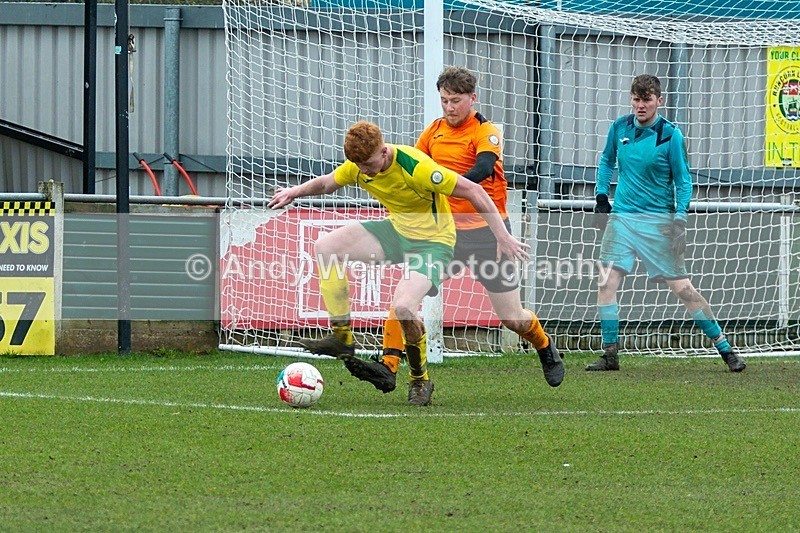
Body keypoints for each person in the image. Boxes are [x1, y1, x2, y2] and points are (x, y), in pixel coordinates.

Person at [268, 120, 530, 406]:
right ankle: (342, 337)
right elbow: (328, 183)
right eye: (358, 165)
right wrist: (294, 192)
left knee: (404, 308)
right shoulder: (358, 165)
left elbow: (475, 192)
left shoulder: (417, 167)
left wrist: (502, 236)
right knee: (325, 247)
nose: (364, 171)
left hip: (434, 243)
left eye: (368, 164)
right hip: (397, 232)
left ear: (383, 151)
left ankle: (420, 380)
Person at [342, 66, 564, 394]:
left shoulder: (484, 131)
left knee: (511, 318)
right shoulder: (432, 133)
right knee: (405, 297)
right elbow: (410, 170)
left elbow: (484, 169)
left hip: (490, 233)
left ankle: (545, 346)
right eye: (445, 100)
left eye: (456, 100)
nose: (449, 107)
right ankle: (388, 365)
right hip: (446, 235)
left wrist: (447, 186)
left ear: (472, 98)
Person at [587, 74, 746, 372]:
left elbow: (683, 183)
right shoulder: (619, 127)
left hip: (658, 223)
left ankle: (725, 349)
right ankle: (610, 354)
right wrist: (600, 195)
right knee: (606, 281)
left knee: (683, 290)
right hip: (622, 218)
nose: (640, 105)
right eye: (636, 99)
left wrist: (680, 221)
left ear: (660, 101)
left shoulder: (672, 135)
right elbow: (607, 160)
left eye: (646, 100)